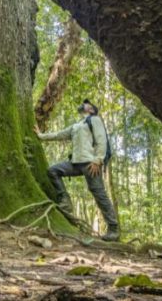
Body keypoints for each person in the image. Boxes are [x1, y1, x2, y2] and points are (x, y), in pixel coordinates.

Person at [36, 99, 120, 242]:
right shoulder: (77, 125)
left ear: (91, 109)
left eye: (87, 104)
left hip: (90, 163)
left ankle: (113, 229)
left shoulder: (95, 120)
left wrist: (98, 160)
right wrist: (40, 136)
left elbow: (101, 140)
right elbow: (59, 135)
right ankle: (65, 200)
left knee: (99, 194)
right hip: (75, 163)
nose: (84, 104)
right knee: (53, 171)